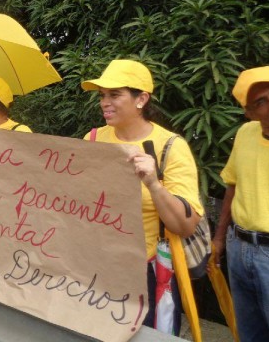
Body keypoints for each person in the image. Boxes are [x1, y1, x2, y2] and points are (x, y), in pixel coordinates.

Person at [81, 59, 203, 335]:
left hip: (146, 275)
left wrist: (153, 184)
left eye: (114, 94)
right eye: (102, 96)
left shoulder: (171, 146)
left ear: (141, 99)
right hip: (97, 266)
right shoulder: (92, 139)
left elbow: (185, 226)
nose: (104, 103)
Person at [213, 66, 269, 342]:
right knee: (248, 333)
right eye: (261, 102)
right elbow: (232, 186)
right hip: (239, 247)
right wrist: (220, 239)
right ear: (249, 112)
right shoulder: (247, 133)